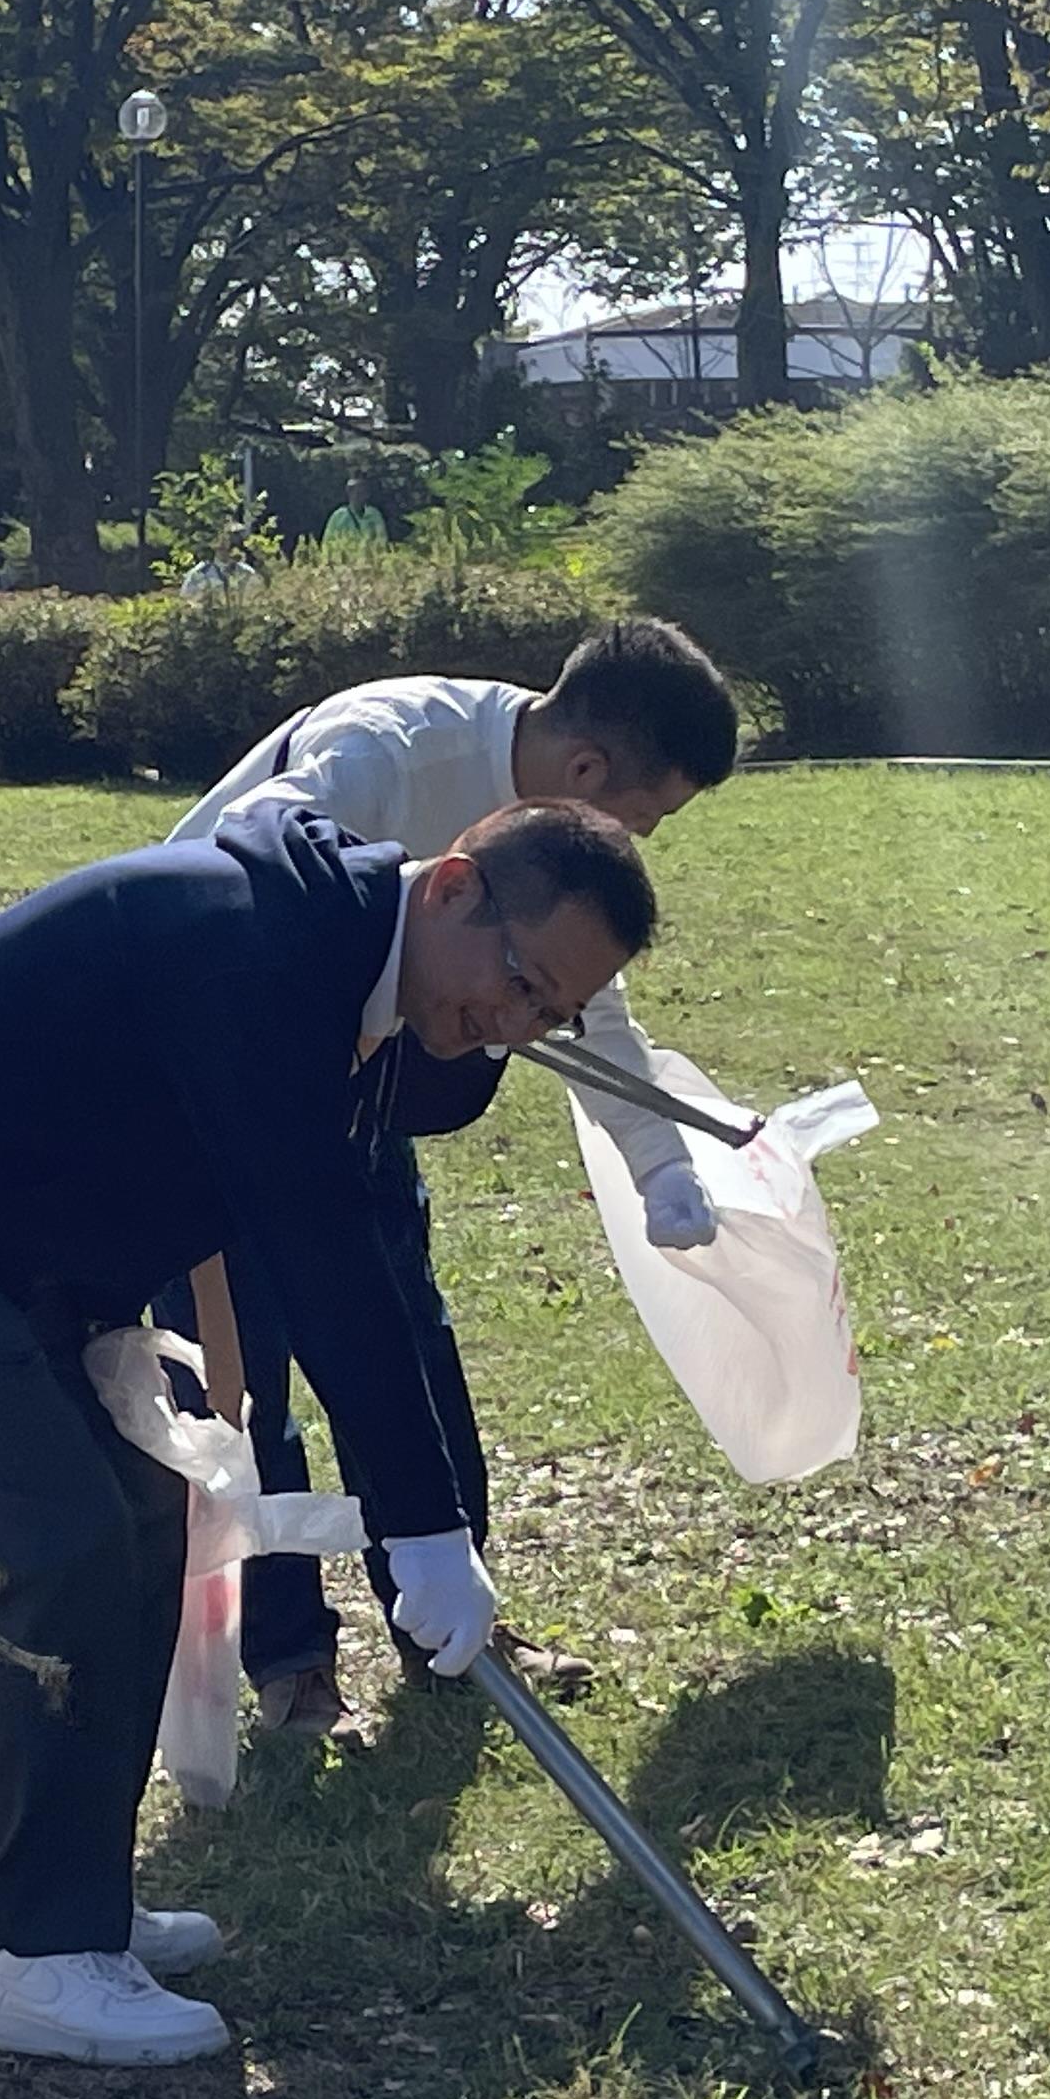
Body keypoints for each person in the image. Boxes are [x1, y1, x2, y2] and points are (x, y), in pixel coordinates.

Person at [0, 796, 659, 2064]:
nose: (512, 1028)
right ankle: (26, 1961)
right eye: (519, 981)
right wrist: (422, 1521)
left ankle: (57, 1910)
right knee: (68, 1545)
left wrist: (418, 1514)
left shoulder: (347, 971)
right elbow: (320, 1251)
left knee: (141, 1522)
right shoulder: (261, 950)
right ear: (452, 890)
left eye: (549, 1017)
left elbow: (345, 1218)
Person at [165, 618, 740, 1735]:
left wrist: (662, 1163)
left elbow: (587, 997)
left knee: (407, 1342)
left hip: (369, 1087)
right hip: (220, 1087)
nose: (640, 839)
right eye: (648, 813)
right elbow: (247, 867)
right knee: (252, 1379)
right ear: (587, 771)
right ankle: (289, 1662)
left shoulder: (556, 846)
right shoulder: (380, 750)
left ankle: (449, 1622)